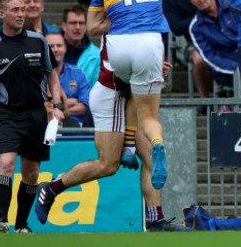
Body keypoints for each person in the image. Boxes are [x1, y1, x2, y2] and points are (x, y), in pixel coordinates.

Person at [35, 34, 177, 231]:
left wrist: (154, 70)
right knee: (107, 165)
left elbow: (138, 85)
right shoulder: (116, 30)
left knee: (152, 158)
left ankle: (156, 220)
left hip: (127, 96)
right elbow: (128, 74)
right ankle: (51, 188)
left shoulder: (137, 28)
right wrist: (150, 68)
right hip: (110, 95)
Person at [0, 0, 65, 233]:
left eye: (23, 9)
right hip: (8, 114)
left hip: (37, 115)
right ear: (2, 14)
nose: (22, 14)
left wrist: (58, 106)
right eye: (16, 10)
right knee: (6, 163)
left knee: (31, 174)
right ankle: (2, 221)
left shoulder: (38, 40)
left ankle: (22, 225)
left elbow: (52, 75)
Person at [86, 0, 172, 191]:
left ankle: (130, 145)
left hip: (118, 47)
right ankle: (155, 142)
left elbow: (92, 29)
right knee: (149, 113)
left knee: (129, 85)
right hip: (149, 42)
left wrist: (121, 16)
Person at [188, 0, 239, 98]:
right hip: (225, 71)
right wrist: (236, 69)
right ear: (191, 1)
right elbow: (209, 57)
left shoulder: (235, 9)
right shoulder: (196, 27)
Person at [46, 32, 92, 126]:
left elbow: (84, 107)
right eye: (51, 46)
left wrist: (56, 110)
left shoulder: (77, 73)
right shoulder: (36, 75)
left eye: (59, 45)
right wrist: (71, 101)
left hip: (74, 128)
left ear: (65, 48)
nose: (55, 49)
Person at [61, 5, 101, 86]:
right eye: (73, 23)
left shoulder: (96, 55)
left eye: (81, 23)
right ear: (64, 26)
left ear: (86, 26)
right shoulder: (51, 48)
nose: (78, 27)